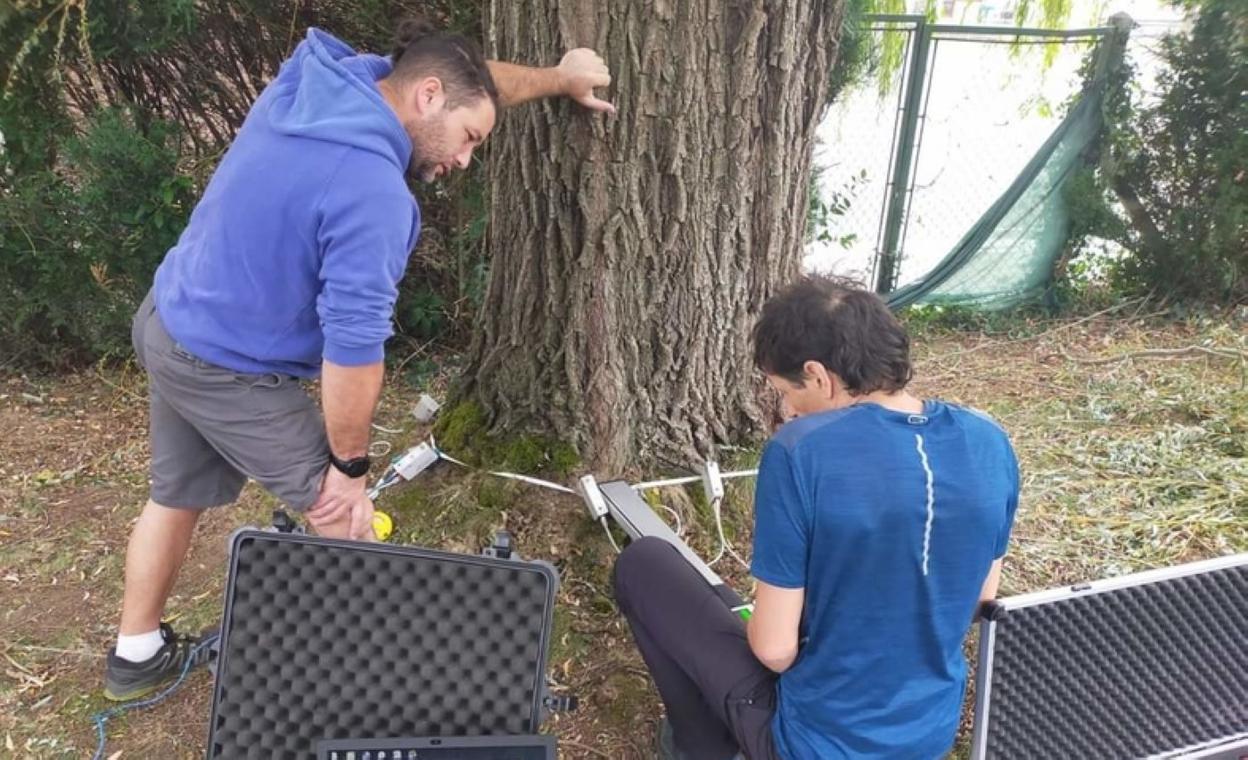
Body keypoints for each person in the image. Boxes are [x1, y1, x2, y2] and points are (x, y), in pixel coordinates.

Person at [103, 18, 614, 702]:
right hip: (221, 364)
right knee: (346, 517)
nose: (465, 160)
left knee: (176, 495)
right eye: (471, 140)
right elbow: (352, 353)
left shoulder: (320, 79)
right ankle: (381, 697)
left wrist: (558, 78)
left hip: (172, 317)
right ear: (427, 98)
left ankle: (135, 657)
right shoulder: (373, 191)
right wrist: (347, 471)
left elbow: (467, 78)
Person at [613, 277, 1020, 759]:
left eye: (784, 391)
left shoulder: (801, 450)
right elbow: (979, 601)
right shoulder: (989, 440)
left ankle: (702, 747)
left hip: (816, 744)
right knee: (722, 599)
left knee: (645, 564)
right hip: (926, 736)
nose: (785, 408)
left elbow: (775, 652)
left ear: (819, 375)